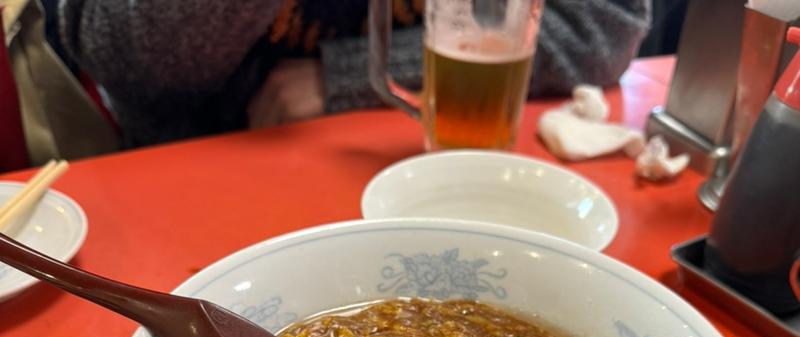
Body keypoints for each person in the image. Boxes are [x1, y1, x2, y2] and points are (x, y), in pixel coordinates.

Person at [57, 0, 651, 149]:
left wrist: (347, 76)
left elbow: (603, 27)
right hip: (186, 166)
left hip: (413, 150)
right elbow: (117, 53)